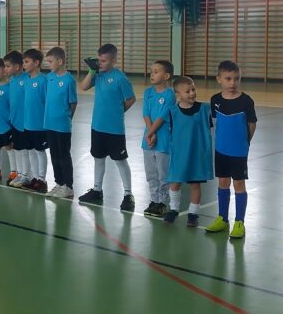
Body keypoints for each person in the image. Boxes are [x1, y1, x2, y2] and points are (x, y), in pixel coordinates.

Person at [77, 44, 136, 212]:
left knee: (120, 160)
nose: (100, 63)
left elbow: (131, 99)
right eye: (99, 60)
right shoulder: (98, 74)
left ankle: (128, 194)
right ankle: (97, 190)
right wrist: (92, 70)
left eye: (103, 61)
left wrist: (118, 112)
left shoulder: (120, 78)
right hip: (97, 126)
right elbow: (83, 86)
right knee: (98, 158)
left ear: (113, 61)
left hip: (114, 129)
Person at [205, 61, 257, 239]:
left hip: (239, 151)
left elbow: (252, 124)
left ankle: (239, 222)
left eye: (236, 79)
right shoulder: (215, 100)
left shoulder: (246, 101)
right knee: (223, 182)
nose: (233, 83)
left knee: (239, 184)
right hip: (221, 150)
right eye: (228, 78)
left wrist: (245, 142)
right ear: (219, 79)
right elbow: (215, 123)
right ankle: (222, 218)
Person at [162, 76, 214, 227]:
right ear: (178, 94)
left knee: (195, 184)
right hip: (179, 154)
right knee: (175, 183)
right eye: (187, 91)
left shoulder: (205, 109)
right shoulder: (172, 112)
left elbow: (209, 130)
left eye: (193, 89)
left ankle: (193, 213)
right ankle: (174, 209)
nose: (192, 93)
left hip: (197, 155)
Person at [141, 60, 176, 217]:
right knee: (151, 173)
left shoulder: (169, 95)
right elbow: (146, 113)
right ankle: (154, 200)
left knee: (163, 174)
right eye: (151, 71)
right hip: (148, 140)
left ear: (166, 76)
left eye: (156, 72)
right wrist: (150, 133)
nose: (152, 74)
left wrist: (152, 132)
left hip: (163, 140)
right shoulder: (148, 92)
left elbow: (162, 117)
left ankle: (163, 202)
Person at [43, 47, 77, 198]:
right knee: (54, 155)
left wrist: (67, 118)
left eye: (51, 61)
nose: (48, 64)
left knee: (64, 156)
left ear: (60, 61)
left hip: (62, 125)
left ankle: (68, 187)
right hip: (49, 124)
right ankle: (59, 183)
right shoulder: (49, 77)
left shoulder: (69, 80)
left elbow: (73, 103)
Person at [20, 49, 49, 193]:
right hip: (28, 123)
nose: (24, 65)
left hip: (40, 125)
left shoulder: (44, 80)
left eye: (26, 62)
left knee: (40, 150)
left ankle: (42, 180)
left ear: (36, 63)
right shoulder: (26, 80)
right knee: (30, 150)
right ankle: (35, 178)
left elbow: (47, 103)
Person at [4, 51, 29, 186]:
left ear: (17, 67)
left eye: (8, 66)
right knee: (17, 148)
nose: (5, 69)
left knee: (24, 150)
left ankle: (26, 175)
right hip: (14, 121)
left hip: (24, 122)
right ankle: (20, 174)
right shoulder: (12, 80)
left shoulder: (27, 79)